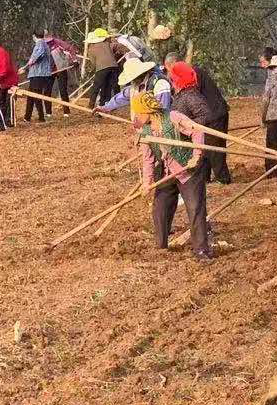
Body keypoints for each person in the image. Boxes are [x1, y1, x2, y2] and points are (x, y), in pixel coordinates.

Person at [133, 91, 212, 260]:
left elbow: (197, 131)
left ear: (148, 110)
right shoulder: (145, 131)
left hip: (188, 170)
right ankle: (161, 247)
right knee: (160, 209)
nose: (137, 117)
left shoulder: (174, 117)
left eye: (139, 113)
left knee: (195, 208)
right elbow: (148, 159)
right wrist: (147, 183)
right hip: (166, 173)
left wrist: (196, 156)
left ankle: (202, 251)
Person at [190, 60, 232, 183]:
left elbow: (193, 97)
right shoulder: (195, 72)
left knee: (215, 148)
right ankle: (205, 177)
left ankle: (223, 179)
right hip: (214, 113)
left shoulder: (194, 74)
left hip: (214, 115)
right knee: (206, 147)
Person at [22, 31, 56, 123]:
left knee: (36, 96)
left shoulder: (40, 43)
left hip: (38, 74)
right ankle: (27, 117)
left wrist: (26, 66)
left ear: (34, 36)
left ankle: (41, 117)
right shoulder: (44, 44)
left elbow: (38, 55)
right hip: (36, 74)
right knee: (31, 96)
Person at [45, 30, 81, 112]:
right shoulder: (42, 45)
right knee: (47, 91)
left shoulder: (57, 42)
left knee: (63, 90)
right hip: (49, 70)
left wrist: (75, 60)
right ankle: (48, 112)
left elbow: (70, 48)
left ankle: (66, 111)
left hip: (61, 69)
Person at [84, 29, 120, 109]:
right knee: (108, 86)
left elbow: (94, 63)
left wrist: (96, 69)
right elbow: (116, 48)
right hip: (114, 66)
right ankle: (105, 105)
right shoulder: (107, 44)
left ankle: (91, 105)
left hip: (101, 68)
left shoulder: (90, 49)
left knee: (96, 87)